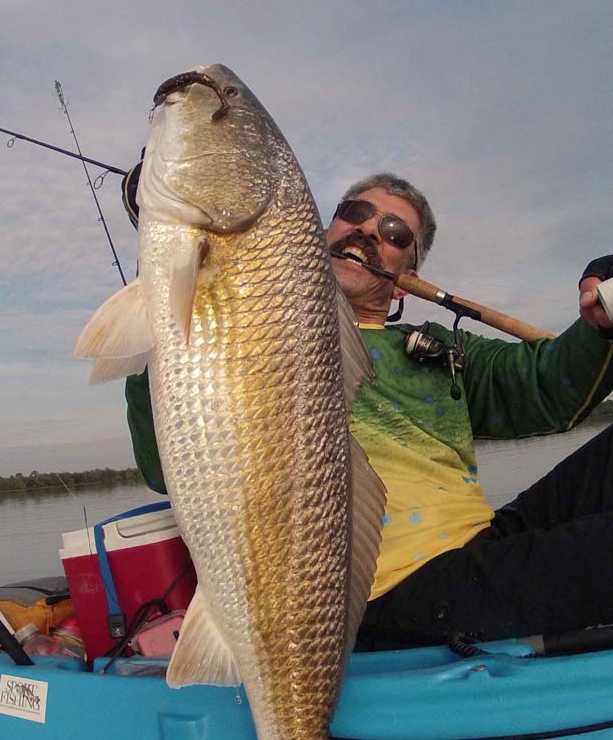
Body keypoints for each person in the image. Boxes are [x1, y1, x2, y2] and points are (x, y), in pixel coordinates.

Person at [123, 170, 613, 648]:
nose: (369, 229)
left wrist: (599, 325)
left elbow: (548, 385)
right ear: (320, 234)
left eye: (396, 233)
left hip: (477, 552)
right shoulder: (253, 343)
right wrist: (169, 228)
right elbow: (166, 460)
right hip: (379, 592)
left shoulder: (443, 350)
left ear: (406, 281)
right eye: (355, 213)